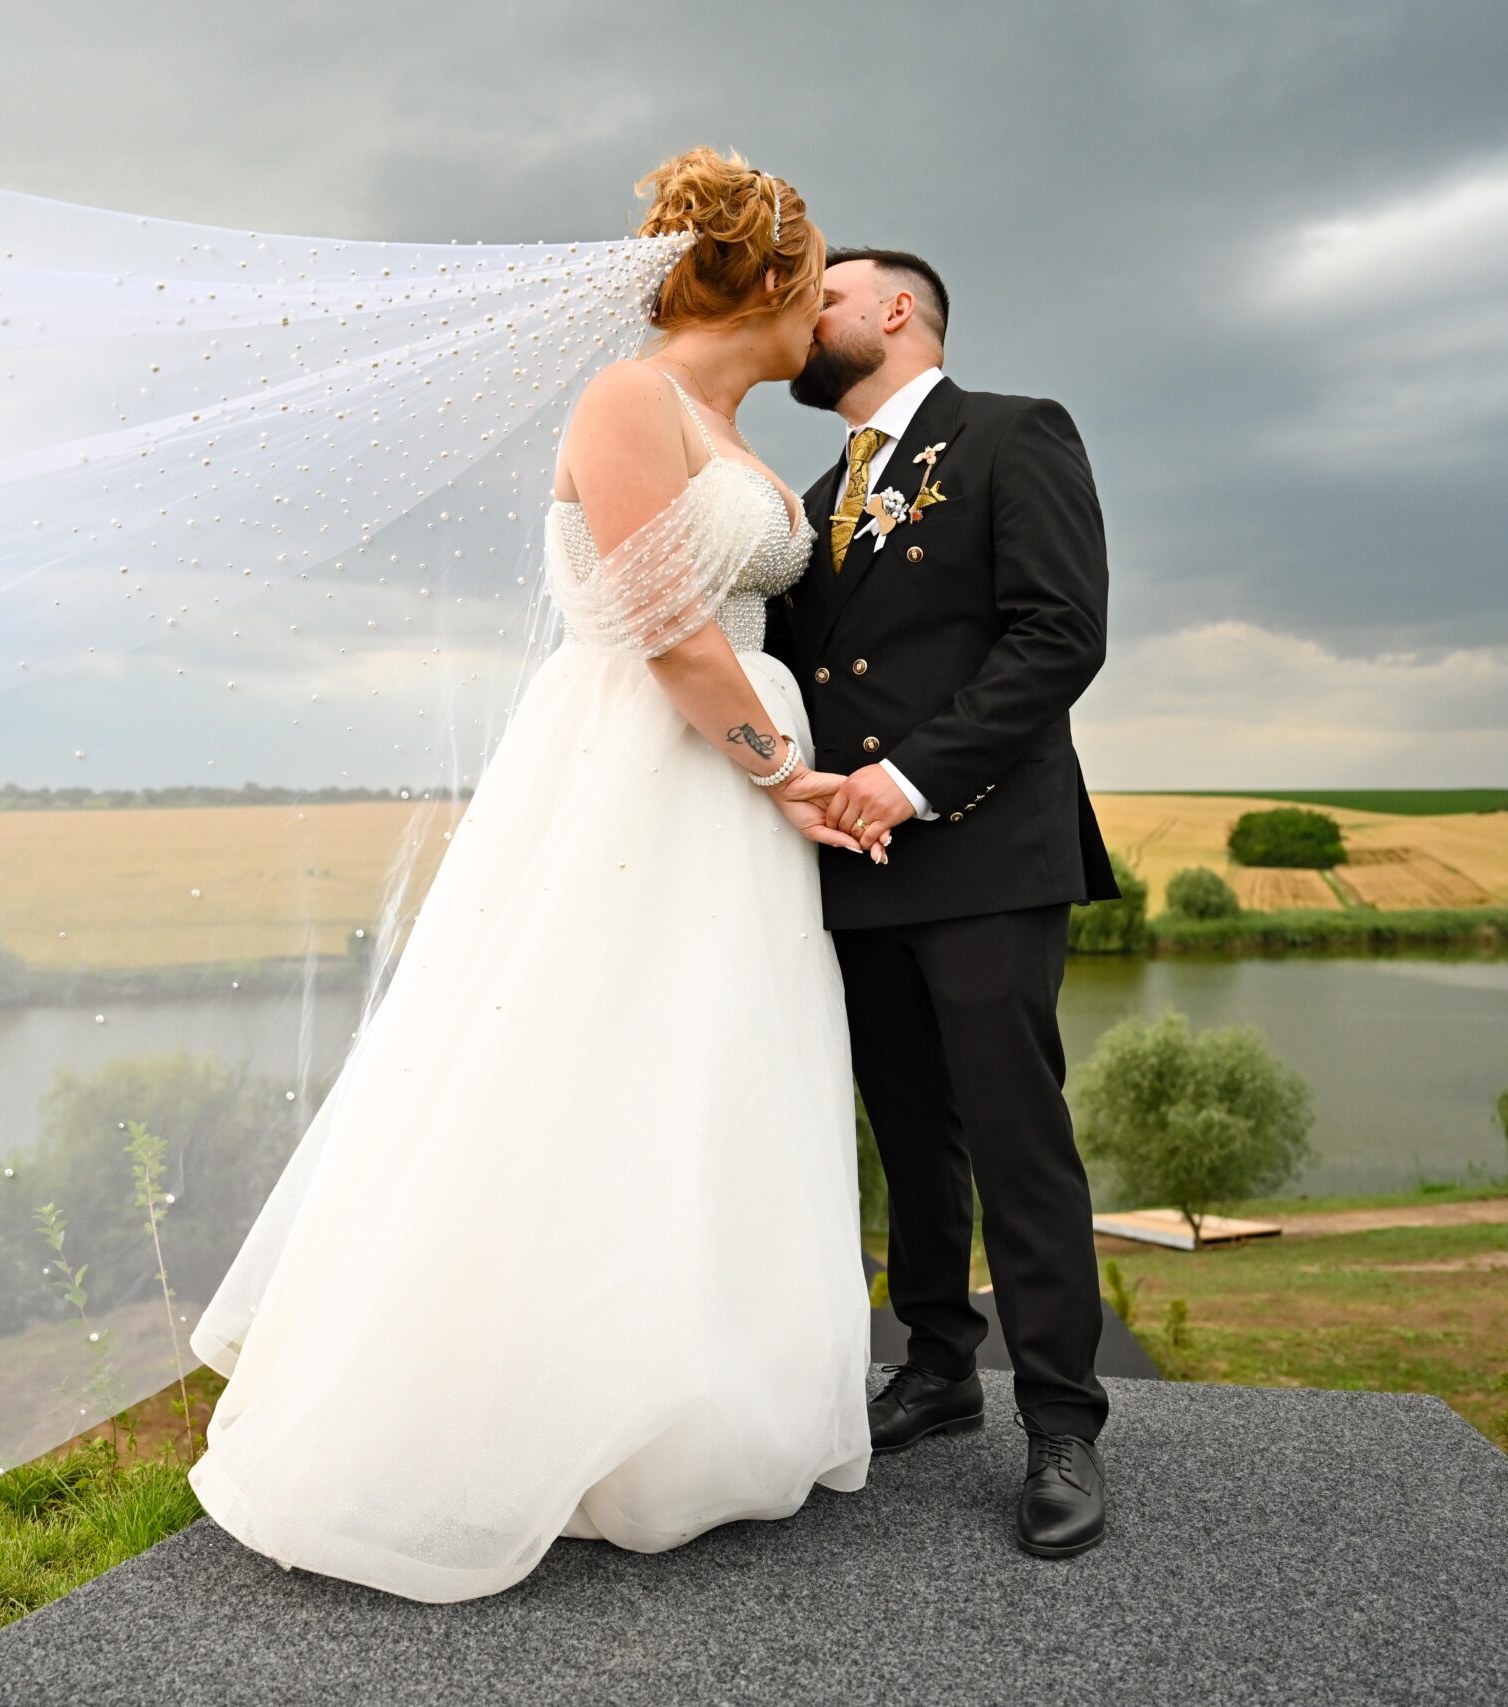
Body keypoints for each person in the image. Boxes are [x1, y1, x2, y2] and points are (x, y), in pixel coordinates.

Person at [186, 149, 879, 1602]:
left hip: (724, 790)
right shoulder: (631, 398)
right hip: (645, 765)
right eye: (818, 282)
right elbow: (664, 625)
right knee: (576, 1062)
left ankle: (688, 1407)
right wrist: (782, 771)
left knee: (704, 1069)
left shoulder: (725, 426)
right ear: (770, 280)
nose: (824, 311)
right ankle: (497, 1425)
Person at [768, 248, 1124, 1557]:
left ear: (896, 309)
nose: (801, 315)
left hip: (982, 849)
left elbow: (1059, 633)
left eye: (823, 297)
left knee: (1017, 1138)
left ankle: (1064, 1423)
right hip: (857, 862)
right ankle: (936, 1365)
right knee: (910, 1133)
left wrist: (910, 778)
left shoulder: (1014, 435)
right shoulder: (818, 498)